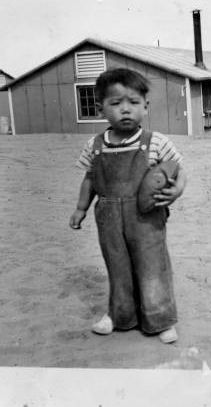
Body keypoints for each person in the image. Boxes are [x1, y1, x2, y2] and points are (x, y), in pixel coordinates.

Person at [69, 68, 186, 344]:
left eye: (133, 103)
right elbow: (89, 180)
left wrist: (177, 190)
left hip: (146, 219)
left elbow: (178, 169)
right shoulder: (95, 145)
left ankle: (161, 319)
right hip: (108, 218)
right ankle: (119, 315)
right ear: (101, 109)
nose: (125, 110)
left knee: (152, 267)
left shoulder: (156, 142)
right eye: (115, 103)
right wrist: (80, 208)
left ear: (145, 106)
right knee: (117, 267)